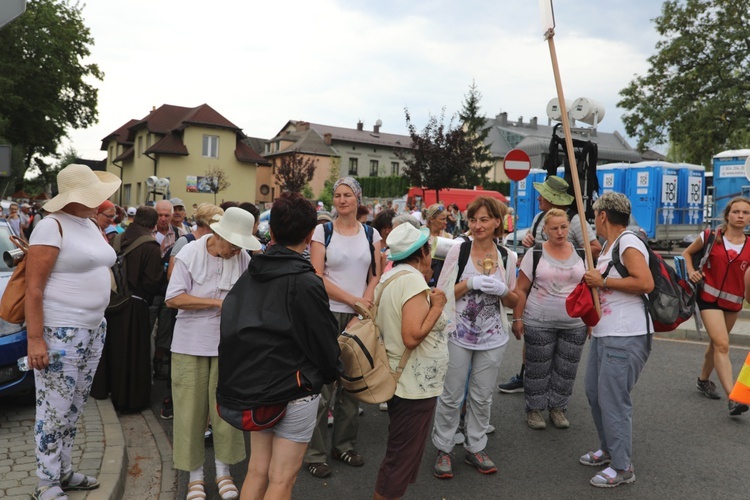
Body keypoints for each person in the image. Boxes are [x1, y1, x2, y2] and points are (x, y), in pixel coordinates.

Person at [218, 192, 341, 500]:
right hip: (294, 387)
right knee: (282, 479)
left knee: (258, 470)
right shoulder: (307, 281)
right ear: (311, 234)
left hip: (256, 386)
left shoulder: (253, 272)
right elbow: (324, 341)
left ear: (270, 231)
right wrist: (330, 373)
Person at [25, 163, 120, 500]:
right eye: (92, 194)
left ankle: (63, 472)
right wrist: (35, 339)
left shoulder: (90, 224)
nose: (100, 201)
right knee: (53, 407)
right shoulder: (51, 227)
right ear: (73, 197)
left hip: (93, 327)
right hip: (60, 331)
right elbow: (33, 289)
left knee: (75, 405)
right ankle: (47, 482)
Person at [165, 207, 261, 500]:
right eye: (233, 244)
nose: (236, 251)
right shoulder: (190, 253)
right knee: (190, 412)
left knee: (226, 411)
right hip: (190, 344)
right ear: (218, 235)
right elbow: (173, 298)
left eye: (240, 246)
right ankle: (194, 475)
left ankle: (223, 470)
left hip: (228, 345)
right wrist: (216, 304)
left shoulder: (242, 257)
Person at [432, 196, 519, 479]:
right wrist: (469, 283)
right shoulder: (459, 250)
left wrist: (503, 291)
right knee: (451, 394)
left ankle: (475, 446)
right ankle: (444, 448)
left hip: (492, 337)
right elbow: (442, 293)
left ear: (497, 221)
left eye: (484, 219)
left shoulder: (508, 256)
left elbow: (514, 300)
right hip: (458, 334)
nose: (477, 225)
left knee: (482, 397)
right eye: (473, 220)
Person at [304, 177, 382, 479]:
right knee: (323, 387)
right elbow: (317, 275)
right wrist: (352, 300)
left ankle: (344, 445)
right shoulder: (322, 232)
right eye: (337, 195)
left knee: (352, 387)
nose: (341, 200)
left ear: (358, 198)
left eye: (347, 194)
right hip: (328, 314)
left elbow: (375, 275)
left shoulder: (370, 233)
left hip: (358, 316)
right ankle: (315, 453)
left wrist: (363, 306)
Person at [499, 176, 600, 394]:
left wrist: (565, 249)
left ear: (553, 198)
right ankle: (527, 377)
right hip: (537, 287)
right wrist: (529, 241)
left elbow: (594, 247)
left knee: (562, 358)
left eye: (543, 194)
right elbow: (534, 243)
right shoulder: (539, 218)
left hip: (566, 293)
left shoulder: (574, 220)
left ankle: (553, 393)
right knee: (535, 341)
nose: (538, 198)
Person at [580, 192, 654, 488]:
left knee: (613, 399)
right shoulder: (610, 245)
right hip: (606, 331)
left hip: (626, 334)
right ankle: (609, 449)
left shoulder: (628, 241)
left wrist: (603, 281)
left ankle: (623, 467)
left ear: (602, 216)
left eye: (594, 215)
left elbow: (644, 282)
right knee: (594, 393)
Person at [373, 223, 448, 500]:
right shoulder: (413, 280)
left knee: (399, 455)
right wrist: (438, 306)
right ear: (423, 252)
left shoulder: (390, 277)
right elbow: (412, 336)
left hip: (398, 377)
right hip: (412, 384)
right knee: (400, 459)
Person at [511, 208, 587, 430]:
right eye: (554, 228)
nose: (560, 232)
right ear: (545, 230)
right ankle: (534, 410)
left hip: (574, 323)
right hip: (538, 321)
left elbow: (588, 290)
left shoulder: (581, 254)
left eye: (564, 227)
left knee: (567, 369)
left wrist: (591, 321)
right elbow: (521, 289)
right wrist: (517, 320)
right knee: (537, 368)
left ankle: (558, 408)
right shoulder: (535, 254)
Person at [90, 206, 164, 412]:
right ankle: (128, 399)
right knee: (132, 354)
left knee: (111, 349)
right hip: (135, 305)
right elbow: (152, 282)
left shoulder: (116, 239)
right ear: (153, 225)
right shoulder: (150, 245)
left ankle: (106, 389)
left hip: (111, 301)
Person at [682, 196, 750, 416]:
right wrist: (691, 271)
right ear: (727, 215)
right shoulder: (711, 236)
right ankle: (733, 397)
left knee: (716, 343)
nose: (741, 216)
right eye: (736, 212)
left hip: (734, 302)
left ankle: (703, 380)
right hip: (708, 298)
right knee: (722, 344)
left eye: (745, 213)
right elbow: (687, 253)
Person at [424, 203, 453, 288]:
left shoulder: (449, 237)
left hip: (445, 283)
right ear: (432, 219)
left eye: (446, 219)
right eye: (442, 219)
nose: (446, 222)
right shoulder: (422, 237)